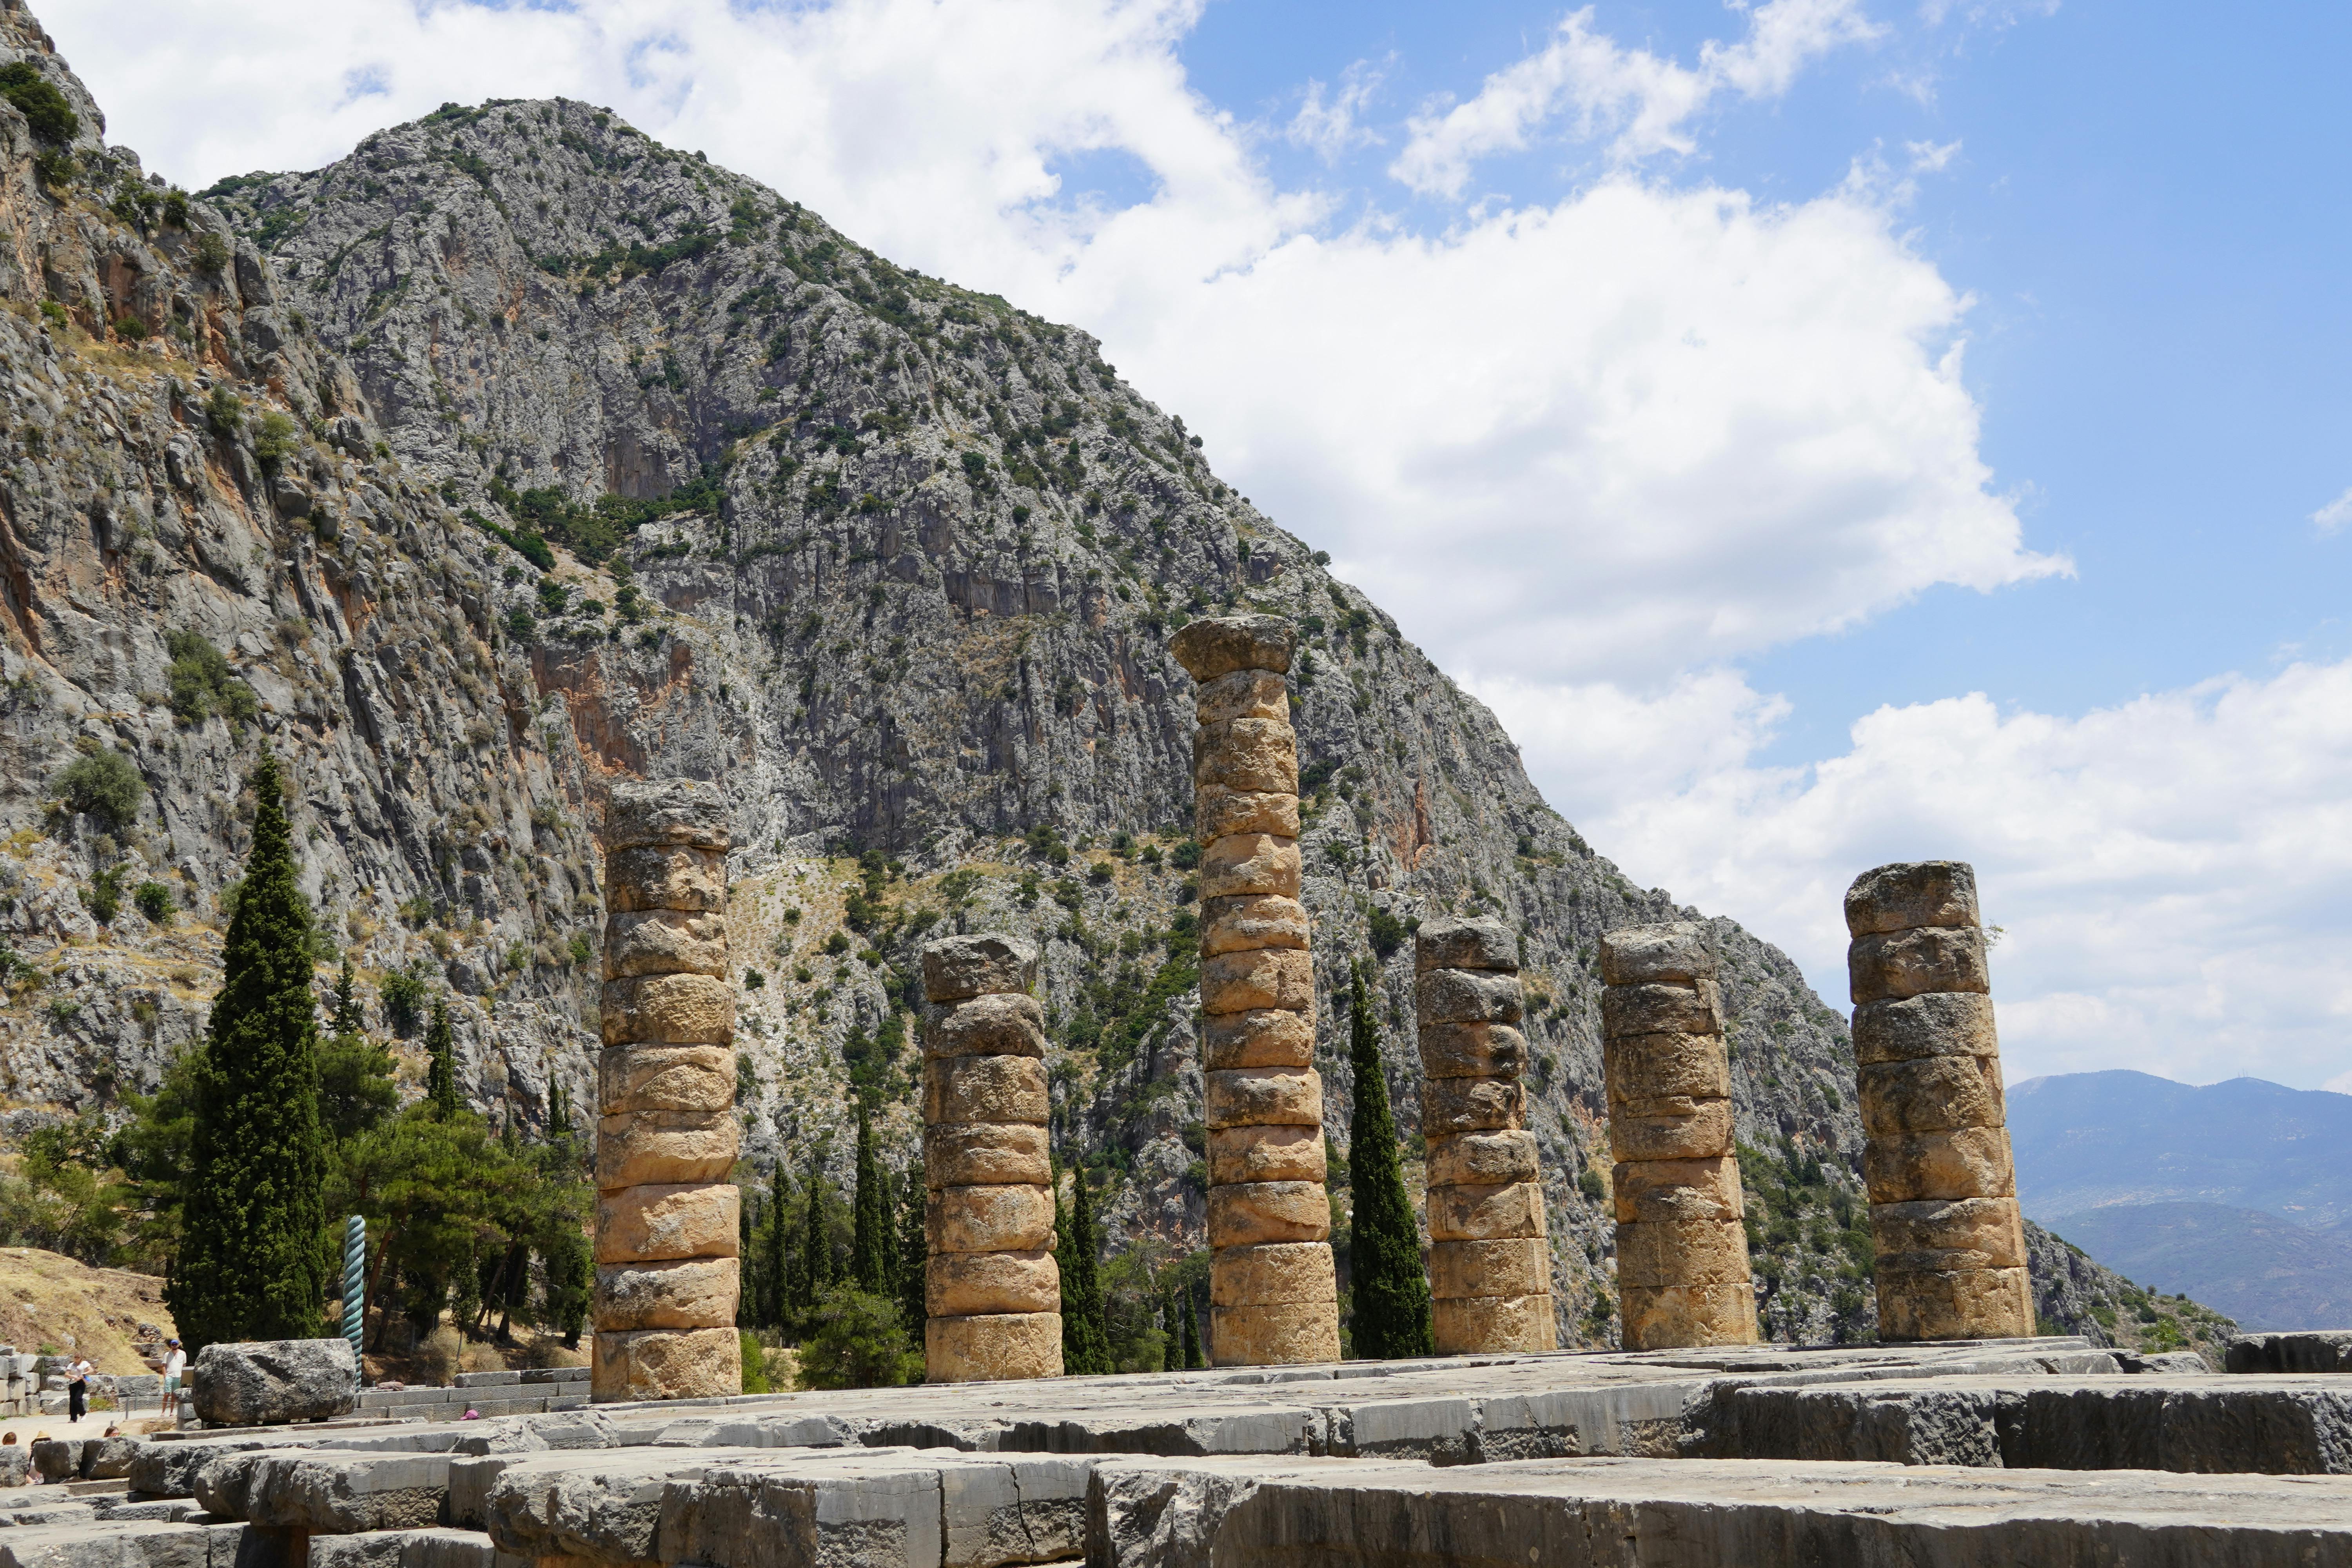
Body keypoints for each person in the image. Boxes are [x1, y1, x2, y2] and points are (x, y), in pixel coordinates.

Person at [160, 1339, 185, 1419]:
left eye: (176, 1344)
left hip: (178, 1376)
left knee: (174, 1395)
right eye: (173, 1344)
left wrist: (183, 1376)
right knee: (167, 1394)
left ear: (178, 1345)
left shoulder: (183, 1354)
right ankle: (163, 1412)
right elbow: (163, 1366)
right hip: (169, 1376)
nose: (174, 1346)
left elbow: (184, 1365)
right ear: (171, 1346)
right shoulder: (167, 1354)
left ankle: (172, 1412)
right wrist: (165, 1376)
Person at [65, 1356, 90, 1425]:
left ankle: (83, 1413)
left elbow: (91, 1370)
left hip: (81, 1383)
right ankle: (73, 1419)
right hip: (73, 1383)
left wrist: (84, 1374)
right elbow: (66, 1374)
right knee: (72, 1401)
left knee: (77, 1399)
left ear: (81, 1358)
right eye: (75, 1358)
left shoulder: (84, 1363)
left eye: (78, 1358)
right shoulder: (72, 1365)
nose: (76, 1359)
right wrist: (74, 1377)